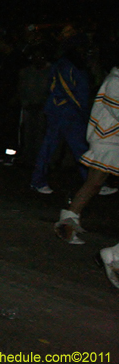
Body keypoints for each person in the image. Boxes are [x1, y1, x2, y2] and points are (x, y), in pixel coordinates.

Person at [29, 34, 115, 196]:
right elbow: (68, 91)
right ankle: (38, 181)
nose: (86, 51)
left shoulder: (78, 65)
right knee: (51, 148)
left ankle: (93, 183)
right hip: (62, 112)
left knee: (81, 150)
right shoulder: (65, 65)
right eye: (83, 48)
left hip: (71, 113)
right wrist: (82, 110)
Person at [54, 58, 119, 244]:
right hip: (107, 140)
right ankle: (67, 222)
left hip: (111, 140)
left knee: (94, 184)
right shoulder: (114, 81)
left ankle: (67, 222)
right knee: (93, 184)